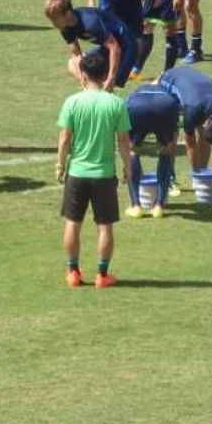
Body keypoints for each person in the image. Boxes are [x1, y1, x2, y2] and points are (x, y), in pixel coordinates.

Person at [55, 51, 132, 287]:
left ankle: (73, 272)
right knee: (105, 226)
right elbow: (123, 140)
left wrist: (60, 164)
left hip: (77, 173)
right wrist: (127, 167)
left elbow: (65, 138)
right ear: (104, 74)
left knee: (72, 222)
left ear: (84, 74)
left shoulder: (72, 102)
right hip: (104, 175)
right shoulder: (116, 103)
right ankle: (101, 274)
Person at [45, 0, 137, 90]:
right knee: (72, 64)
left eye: (55, 19)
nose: (52, 23)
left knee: (108, 85)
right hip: (107, 48)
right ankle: (92, 89)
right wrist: (84, 81)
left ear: (67, 14)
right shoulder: (65, 27)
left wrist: (111, 78)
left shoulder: (90, 23)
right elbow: (76, 55)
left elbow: (115, 48)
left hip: (126, 46)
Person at [158, 66, 212, 171]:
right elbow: (190, 145)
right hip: (169, 81)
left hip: (194, 87)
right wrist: (196, 175)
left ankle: (203, 170)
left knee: (205, 136)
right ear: (206, 123)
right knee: (171, 134)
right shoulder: (192, 112)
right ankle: (169, 177)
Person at [124, 83, 180, 218]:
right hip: (165, 106)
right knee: (165, 151)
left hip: (136, 106)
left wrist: (127, 164)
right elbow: (173, 140)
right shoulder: (169, 93)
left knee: (134, 151)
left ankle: (136, 206)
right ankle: (159, 206)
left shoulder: (135, 92)